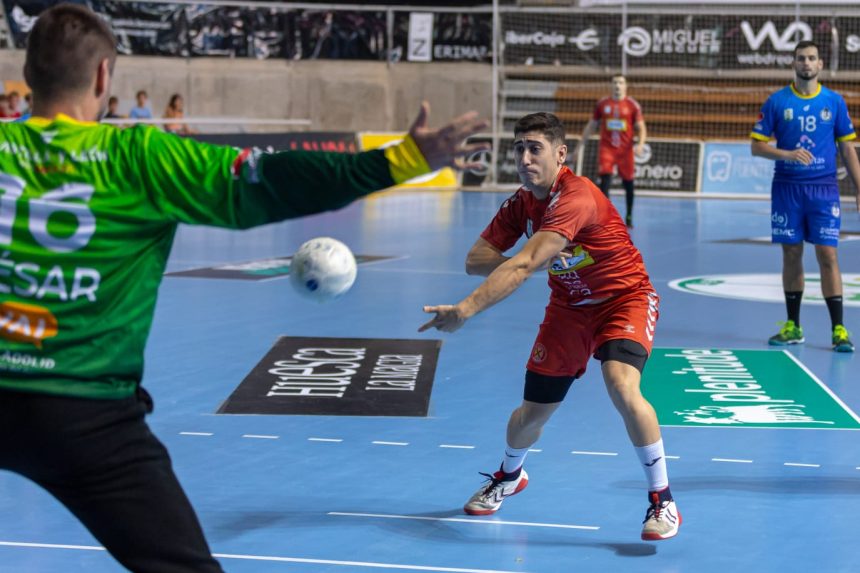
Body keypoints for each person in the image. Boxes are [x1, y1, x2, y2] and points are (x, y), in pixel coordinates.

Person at [0, 4, 488, 572]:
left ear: (28, 72)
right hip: (86, 415)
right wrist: (401, 160)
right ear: (105, 76)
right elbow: (274, 183)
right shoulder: (138, 157)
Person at [419, 112, 680, 541]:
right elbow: (475, 259)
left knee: (621, 385)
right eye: (518, 148)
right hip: (568, 308)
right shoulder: (521, 203)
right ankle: (510, 475)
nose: (524, 157)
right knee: (530, 415)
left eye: (534, 148)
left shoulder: (577, 196)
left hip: (624, 299)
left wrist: (466, 310)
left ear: (561, 154)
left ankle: (662, 500)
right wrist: (530, 262)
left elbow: (522, 266)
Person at [750, 40, 859, 353]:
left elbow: (847, 148)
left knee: (828, 255)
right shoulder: (777, 102)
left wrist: (859, 187)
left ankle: (838, 328)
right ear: (793, 63)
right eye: (801, 58)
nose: (807, 63)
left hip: (824, 190)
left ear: (820, 64)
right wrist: (787, 153)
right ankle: (793, 325)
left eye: (812, 58)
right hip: (787, 188)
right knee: (791, 254)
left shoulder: (834, 102)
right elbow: (756, 145)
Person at [575, 75, 646, 228]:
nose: (617, 86)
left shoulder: (632, 105)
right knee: (605, 183)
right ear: (610, 85)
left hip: (625, 151)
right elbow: (591, 125)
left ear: (626, 86)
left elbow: (641, 127)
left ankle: (628, 215)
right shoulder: (602, 104)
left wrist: (640, 144)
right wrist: (580, 145)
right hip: (607, 149)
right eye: (615, 83)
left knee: (629, 184)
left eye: (621, 83)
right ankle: (605, 217)